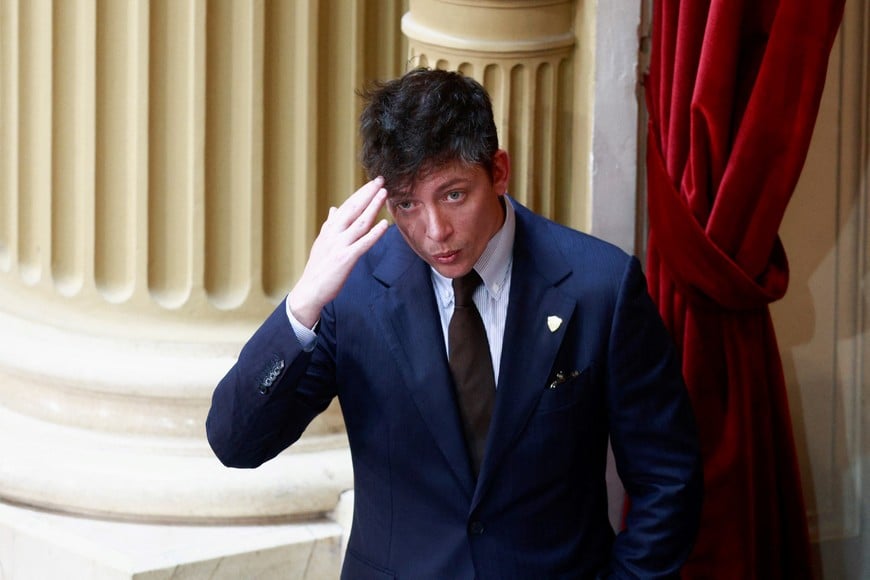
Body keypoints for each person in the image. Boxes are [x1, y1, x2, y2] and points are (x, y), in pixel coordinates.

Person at [206, 67, 702, 579]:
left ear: (499, 171)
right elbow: (235, 443)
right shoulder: (351, 295)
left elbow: (669, 480)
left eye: (453, 195)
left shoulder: (602, 286)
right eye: (406, 205)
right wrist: (304, 302)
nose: (434, 231)